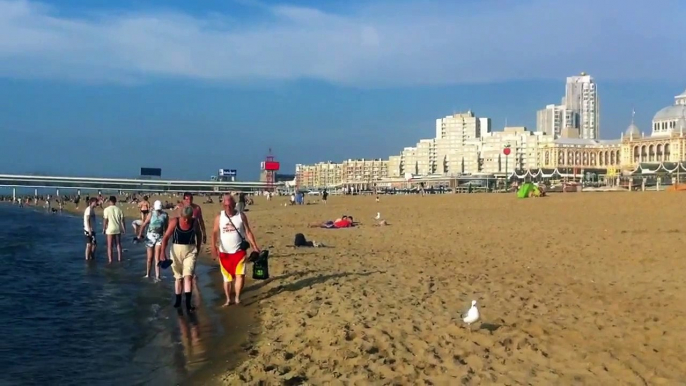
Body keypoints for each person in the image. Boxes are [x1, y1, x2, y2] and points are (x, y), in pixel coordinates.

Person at [212, 193, 260, 306]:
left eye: (230, 205)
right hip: (224, 253)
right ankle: (228, 299)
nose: (228, 208)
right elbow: (214, 232)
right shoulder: (219, 217)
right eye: (226, 205)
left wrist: (255, 246)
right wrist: (213, 247)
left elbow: (248, 231)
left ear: (234, 204)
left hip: (239, 251)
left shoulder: (241, 216)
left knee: (240, 275)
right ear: (223, 205)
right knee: (227, 278)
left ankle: (237, 298)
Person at [161, 206, 202, 312]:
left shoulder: (194, 222)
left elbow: (199, 234)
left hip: (190, 251)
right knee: (178, 278)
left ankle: (188, 304)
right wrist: (162, 253)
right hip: (176, 252)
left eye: (188, 217)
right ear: (181, 215)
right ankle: (178, 301)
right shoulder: (175, 222)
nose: (186, 220)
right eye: (184, 217)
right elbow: (166, 237)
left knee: (188, 277)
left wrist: (197, 248)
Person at [138, 200, 169, 281]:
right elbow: (144, 224)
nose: (158, 211)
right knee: (149, 258)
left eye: (159, 210)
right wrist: (139, 235)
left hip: (160, 237)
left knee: (157, 258)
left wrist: (166, 238)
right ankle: (148, 274)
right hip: (150, 237)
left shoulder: (165, 215)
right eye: (157, 209)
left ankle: (157, 276)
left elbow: (166, 228)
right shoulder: (151, 214)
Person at [102, 196, 125, 263]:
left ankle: (110, 260)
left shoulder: (106, 209)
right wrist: (124, 229)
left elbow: (105, 220)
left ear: (110, 201)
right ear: (115, 201)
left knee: (109, 246)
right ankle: (119, 258)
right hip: (117, 228)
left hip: (110, 229)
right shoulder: (119, 210)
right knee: (118, 244)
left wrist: (104, 228)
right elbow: (122, 221)